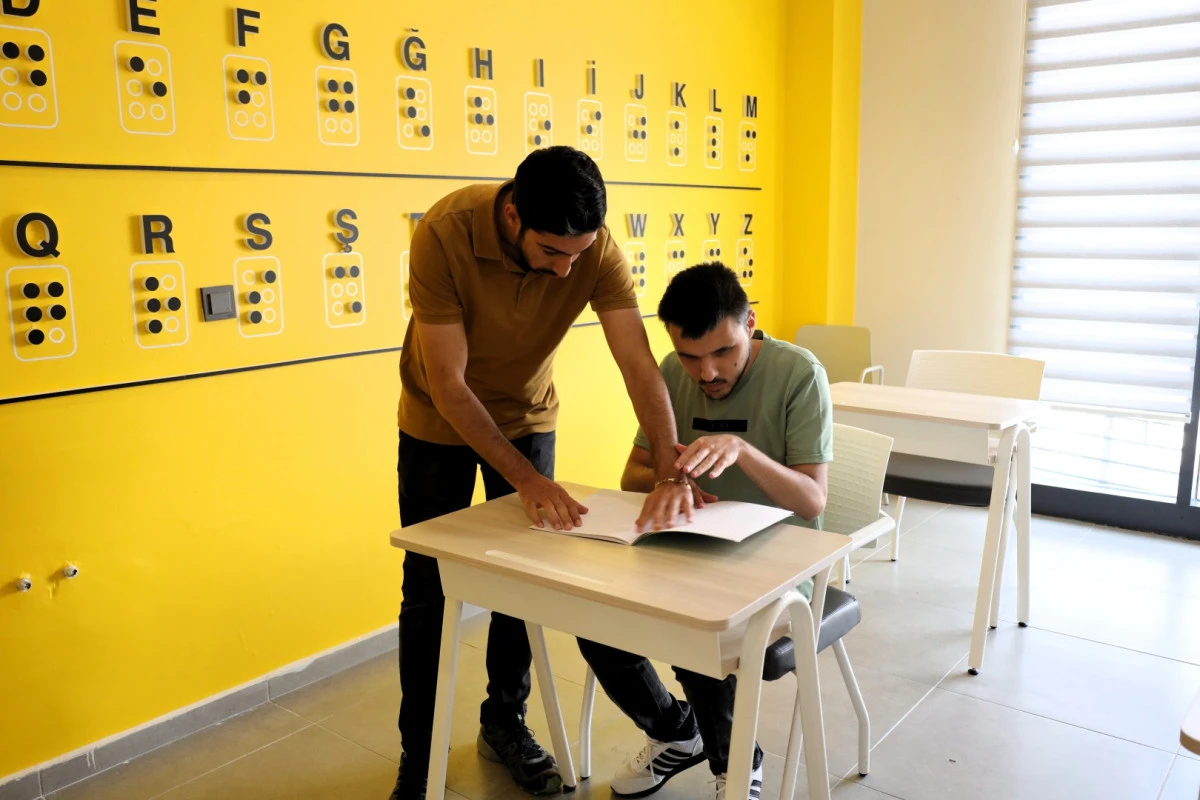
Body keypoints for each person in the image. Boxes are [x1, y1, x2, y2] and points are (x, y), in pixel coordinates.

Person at [390, 146, 698, 800]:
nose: (566, 270)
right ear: (513, 216)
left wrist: (670, 468)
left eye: (578, 255)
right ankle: (419, 758)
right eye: (553, 252)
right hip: (436, 423)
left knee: (527, 581)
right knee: (428, 591)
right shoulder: (443, 234)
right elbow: (448, 384)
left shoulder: (594, 249)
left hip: (528, 416)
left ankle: (505, 721)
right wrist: (527, 480)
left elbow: (638, 365)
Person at [576, 262, 833, 800]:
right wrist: (673, 482)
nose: (707, 373)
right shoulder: (671, 373)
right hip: (689, 549)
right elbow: (632, 475)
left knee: (695, 629)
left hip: (781, 564)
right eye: (690, 356)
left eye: (723, 352)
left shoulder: (799, 373)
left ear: (750, 323)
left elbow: (812, 499)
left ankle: (735, 765)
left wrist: (742, 451)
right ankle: (676, 731)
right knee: (592, 617)